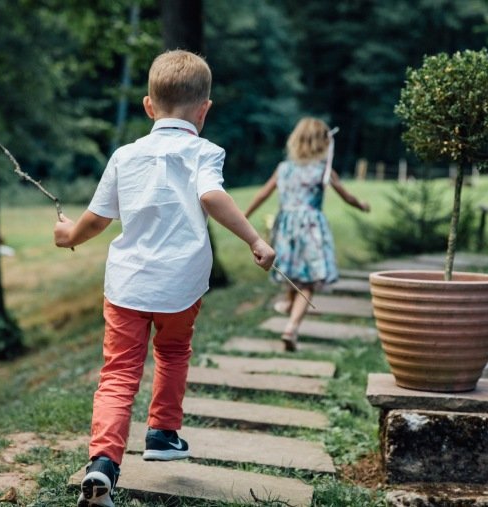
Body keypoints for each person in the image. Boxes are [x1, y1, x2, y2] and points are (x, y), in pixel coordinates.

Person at [54, 50, 275, 507]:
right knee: (173, 352)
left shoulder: (125, 155)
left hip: (127, 285)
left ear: (148, 106)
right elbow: (212, 196)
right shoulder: (205, 152)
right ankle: (162, 434)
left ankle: (103, 465)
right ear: (205, 109)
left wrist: (67, 236)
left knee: (117, 374)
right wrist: (255, 239)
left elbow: (97, 219)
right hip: (180, 286)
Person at [244, 117, 369, 352]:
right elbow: (347, 197)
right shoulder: (323, 171)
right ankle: (291, 328)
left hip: (286, 228)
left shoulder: (284, 168)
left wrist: (244, 215)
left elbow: (262, 194)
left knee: (293, 274)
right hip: (311, 229)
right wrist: (361, 205)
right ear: (322, 144)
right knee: (308, 281)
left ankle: (290, 306)